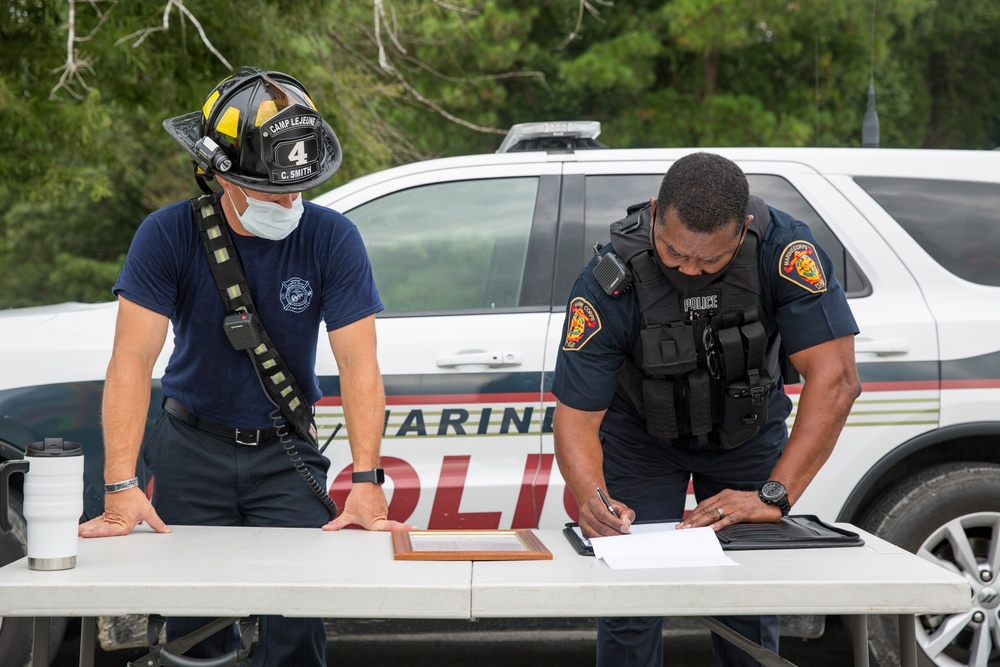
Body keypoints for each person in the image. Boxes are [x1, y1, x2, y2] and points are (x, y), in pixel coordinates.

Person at [77, 66, 411, 666]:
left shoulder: (333, 239)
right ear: (218, 174)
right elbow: (130, 360)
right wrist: (120, 486)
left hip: (285, 453)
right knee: (194, 634)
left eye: (297, 188)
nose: (289, 203)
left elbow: (359, 363)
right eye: (271, 189)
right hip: (189, 449)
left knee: (296, 627)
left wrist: (366, 482)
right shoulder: (167, 235)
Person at [552, 152, 861, 667]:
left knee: (750, 606)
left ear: (741, 231)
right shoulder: (609, 278)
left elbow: (836, 379)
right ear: (654, 213)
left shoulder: (784, 251)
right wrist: (590, 497)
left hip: (746, 434)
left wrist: (775, 495)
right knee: (631, 600)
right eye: (674, 253)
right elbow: (576, 415)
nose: (689, 270)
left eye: (710, 260)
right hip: (642, 441)